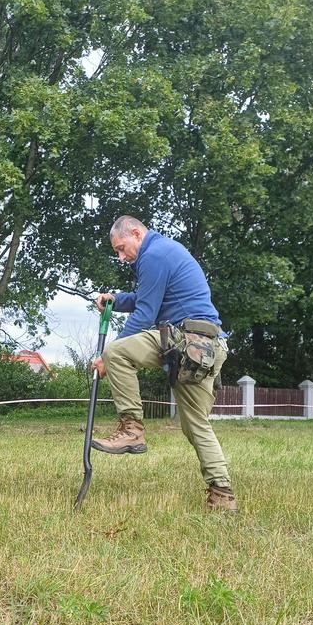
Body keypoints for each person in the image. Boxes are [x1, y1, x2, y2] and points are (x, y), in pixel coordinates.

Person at [91, 215, 238, 513]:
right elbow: (146, 297)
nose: (121, 257)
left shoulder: (154, 255)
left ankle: (132, 430)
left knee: (117, 352)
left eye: (121, 248)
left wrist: (107, 356)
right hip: (206, 346)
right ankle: (222, 495)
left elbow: (145, 313)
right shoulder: (162, 251)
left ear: (136, 233)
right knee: (194, 424)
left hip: (188, 341)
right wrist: (116, 300)